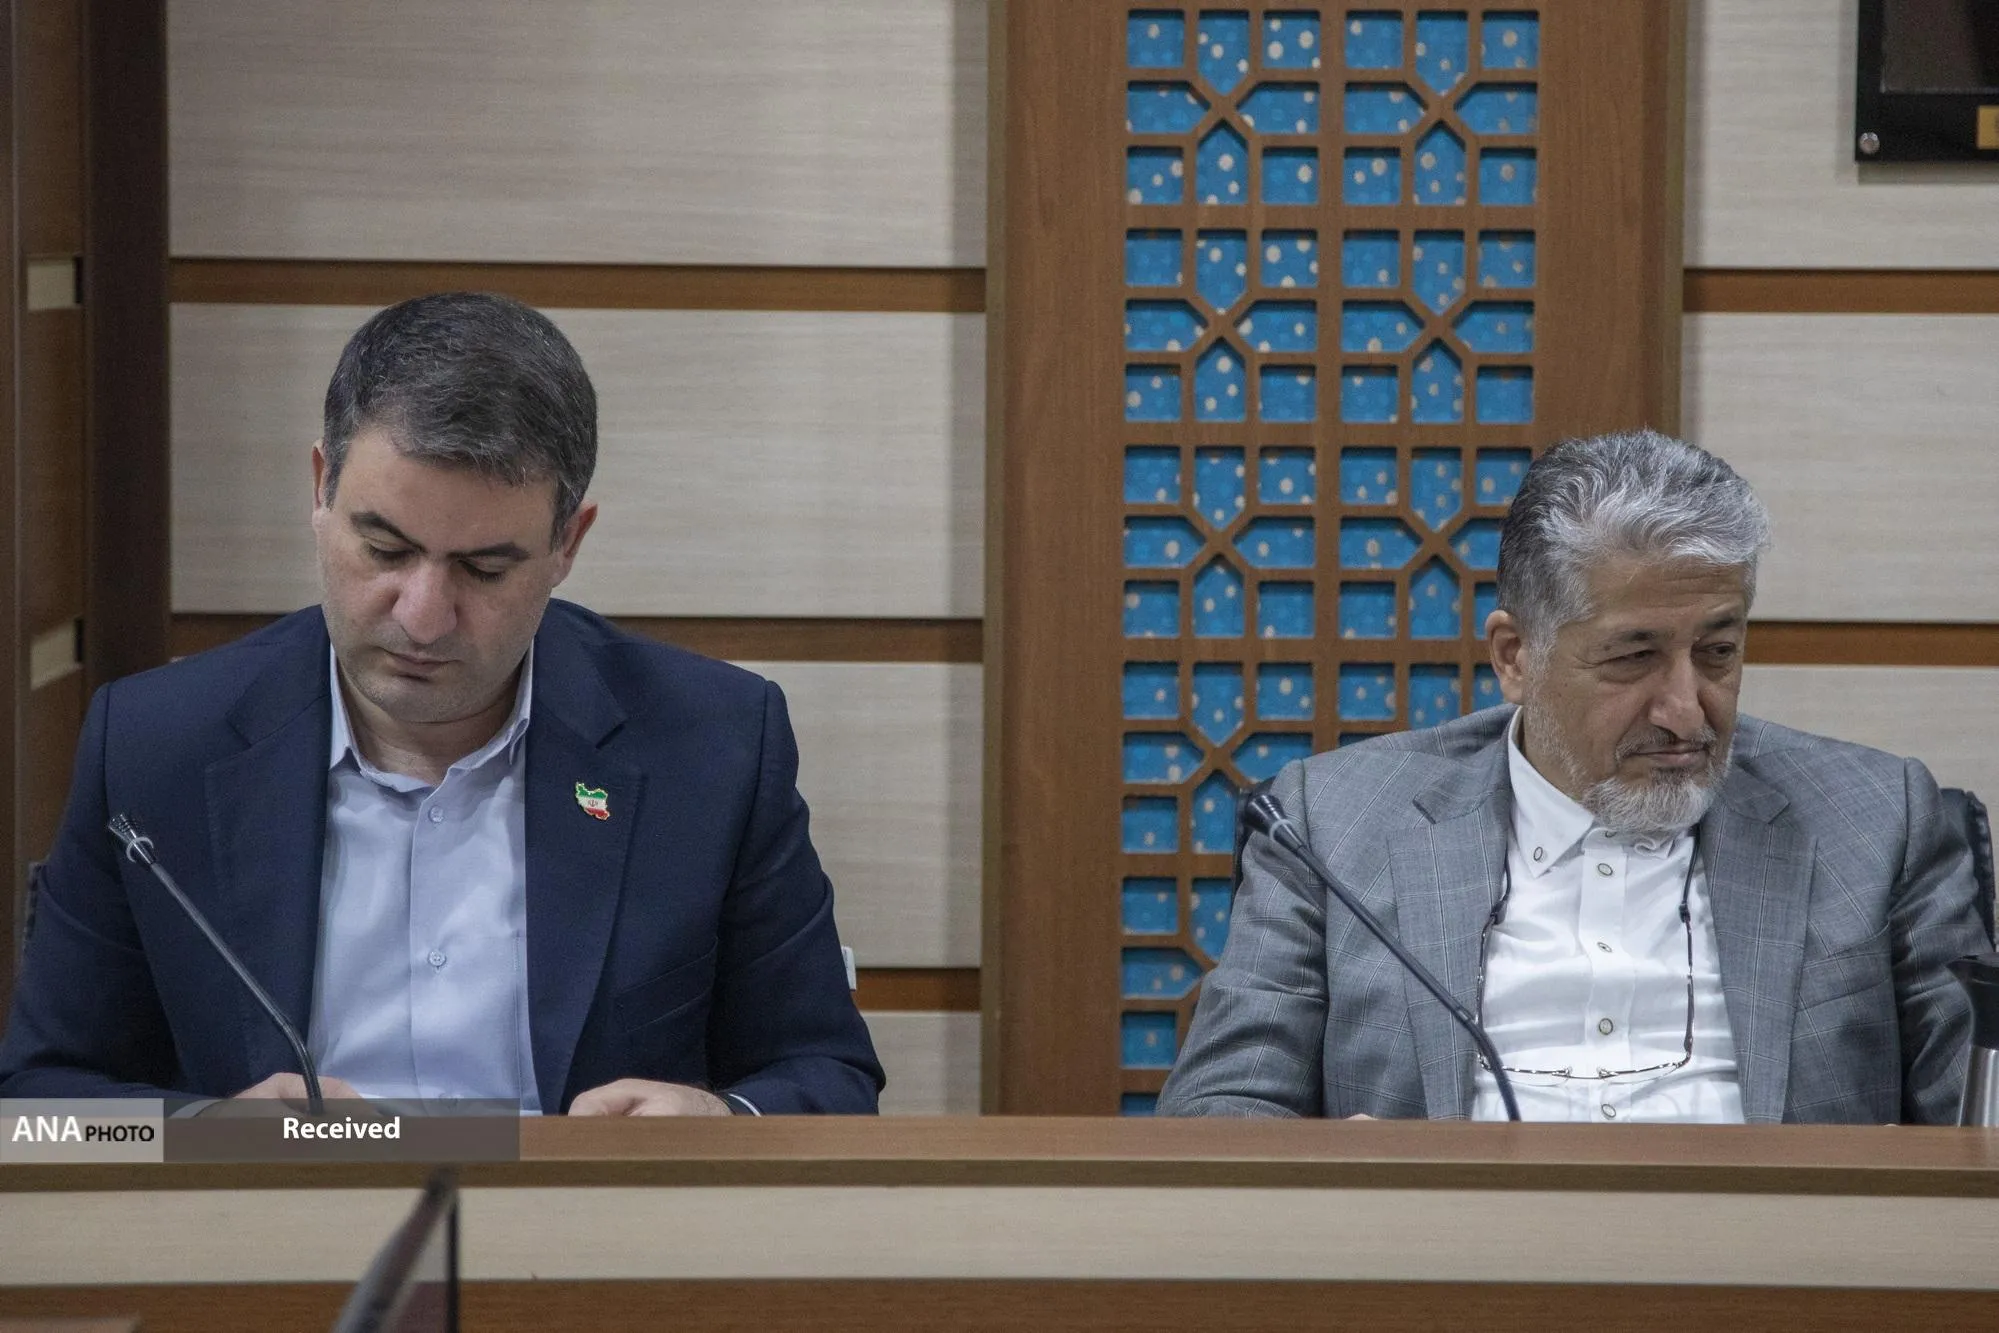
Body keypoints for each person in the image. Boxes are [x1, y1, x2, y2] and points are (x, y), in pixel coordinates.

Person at [0, 292, 883, 1115]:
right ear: (320, 489)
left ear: (568, 544)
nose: (422, 617)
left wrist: (724, 1117)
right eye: (384, 550)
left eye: (483, 569)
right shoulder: (153, 745)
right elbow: (41, 1109)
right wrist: (203, 1134)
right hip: (276, 1218)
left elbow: (828, 1073)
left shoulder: (713, 744)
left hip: (585, 1223)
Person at [1159, 430, 1987, 1124]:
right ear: (1515, 656)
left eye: (1717, 652)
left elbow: (1977, 1117)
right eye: (1632, 657)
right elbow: (1221, 1111)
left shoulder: (1874, 820)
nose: (1686, 711)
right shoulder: (1332, 824)